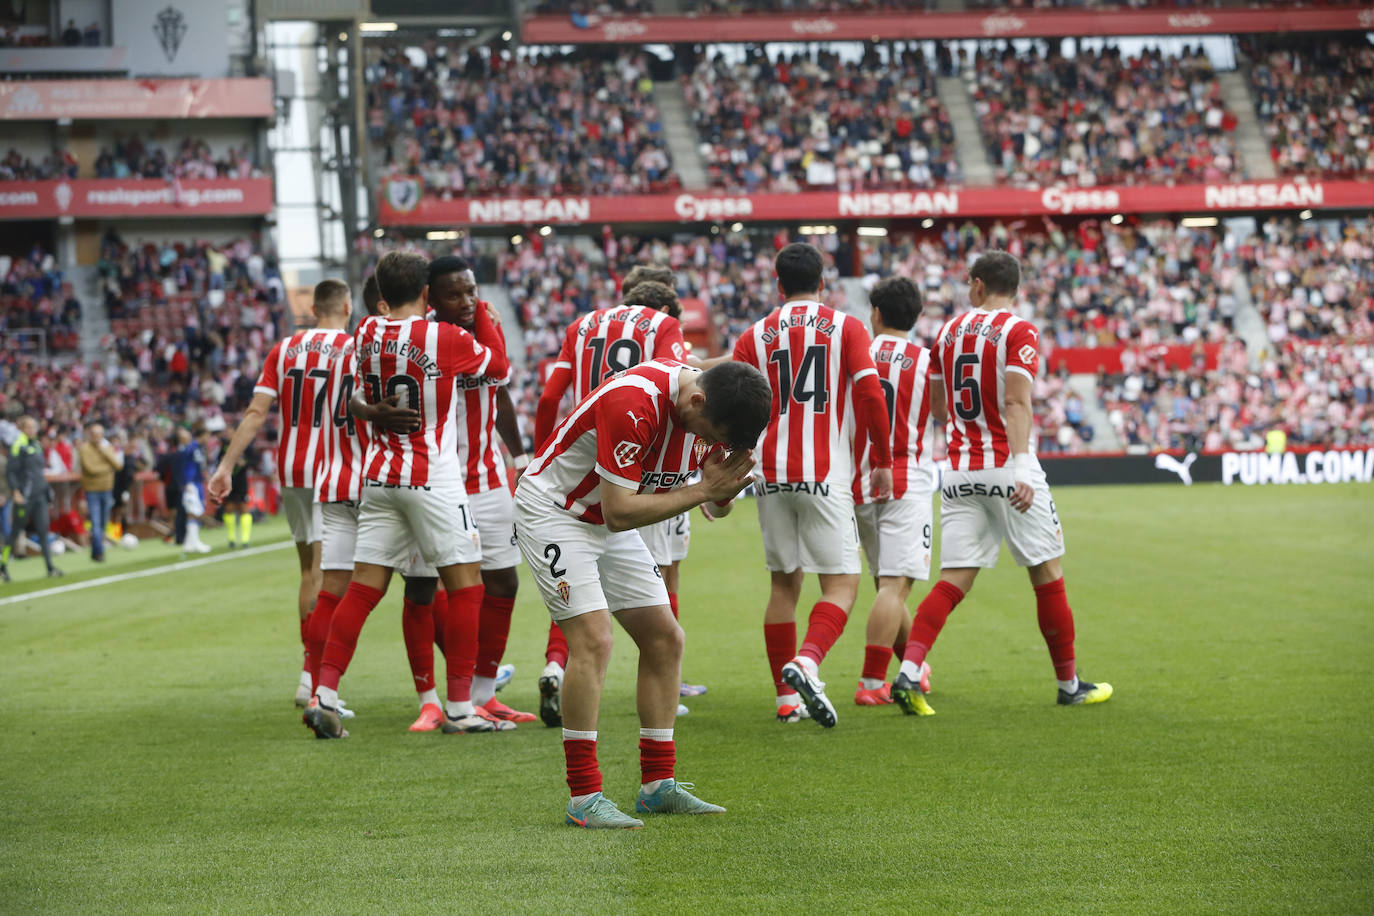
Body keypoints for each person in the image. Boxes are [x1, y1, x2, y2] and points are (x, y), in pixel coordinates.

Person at [516, 358, 771, 828]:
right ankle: (584, 796)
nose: (713, 444)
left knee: (665, 638)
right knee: (593, 640)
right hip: (558, 512)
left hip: (606, 519)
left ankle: (657, 785)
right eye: (713, 435)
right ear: (696, 401)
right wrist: (701, 491)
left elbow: (718, 505)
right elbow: (620, 512)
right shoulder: (634, 402)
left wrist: (723, 487)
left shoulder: (707, 405)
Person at [891, 251, 1113, 716]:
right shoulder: (1020, 331)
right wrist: (1019, 467)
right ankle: (1069, 683)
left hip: (958, 469)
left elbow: (936, 407)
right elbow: (1016, 402)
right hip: (1006, 468)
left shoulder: (947, 332)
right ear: (1016, 288)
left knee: (953, 579)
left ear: (976, 286)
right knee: (1046, 573)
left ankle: (909, 674)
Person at [302, 251, 510, 739]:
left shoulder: (367, 333)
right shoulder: (446, 338)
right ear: (424, 295)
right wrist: (483, 313)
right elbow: (497, 367)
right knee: (467, 587)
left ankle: (325, 694)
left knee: (362, 589)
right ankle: (460, 707)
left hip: (378, 477)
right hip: (432, 478)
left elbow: (353, 395)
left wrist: (372, 413)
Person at [732, 242, 892, 728]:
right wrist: (881, 459)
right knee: (842, 582)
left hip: (770, 473)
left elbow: (735, 413)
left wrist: (726, 473)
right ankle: (807, 660)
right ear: (823, 283)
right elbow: (868, 391)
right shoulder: (847, 326)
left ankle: (785, 700)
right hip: (823, 471)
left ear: (778, 285)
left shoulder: (753, 336)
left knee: (784, 584)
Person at [533, 269, 693, 726]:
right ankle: (669, 684)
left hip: (578, 460)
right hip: (639, 462)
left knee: (575, 583)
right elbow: (678, 382)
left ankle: (553, 663)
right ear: (666, 308)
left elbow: (549, 398)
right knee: (660, 574)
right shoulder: (663, 327)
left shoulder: (581, 325)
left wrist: (544, 452)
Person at [208, 279, 353, 706]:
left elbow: (256, 412)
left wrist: (225, 466)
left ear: (313, 308)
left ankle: (309, 675)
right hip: (338, 469)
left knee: (310, 571)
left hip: (293, 467)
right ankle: (315, 681)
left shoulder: (284, 349)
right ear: (346, 305)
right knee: (334, 575)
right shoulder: (353, 347)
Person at [424, 256, 534, 724]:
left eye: (470, 290)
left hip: (488, 475)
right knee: (434, 587)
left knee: (503, 580)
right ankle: (450, 692)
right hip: (439, 477)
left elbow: (500, 388)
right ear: (432, 298)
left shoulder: (488, 322)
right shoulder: (422, 338)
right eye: (454, 293)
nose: (466, 301)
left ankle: (484, 692)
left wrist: (521, 456)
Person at [851, 277, 937, 706]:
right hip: (907, 478)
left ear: (877, 314)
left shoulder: (856, 356)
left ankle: (913, 668)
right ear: (917, 315)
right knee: (896, 586)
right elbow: (943, 412)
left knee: (887, 583)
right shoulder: (926, 362)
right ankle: (871, 683)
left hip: (860, 481)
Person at [1, 416, 62, 581]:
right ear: (22, 428)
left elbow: (38, 471)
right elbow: (11, 472)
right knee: (15, 532)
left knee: (43, 529)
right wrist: (15, 492)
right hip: (24, 497)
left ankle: (50, 567)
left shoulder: (36, 445)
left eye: (34, 427)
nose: (32, 430)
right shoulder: (18, 446)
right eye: (28, 427)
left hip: (39, 495)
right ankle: (3, 566)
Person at [77, 421, 123, 562]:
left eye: (100, 434)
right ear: (90, 435)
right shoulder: (84, 448)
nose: (97, 437)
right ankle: (99, 553)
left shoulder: (106, 447)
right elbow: (90, 468)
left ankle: (95, 550)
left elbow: (118, 465)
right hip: (92, 490)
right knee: (95, 523)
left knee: (103, 523)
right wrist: (107, 469)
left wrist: (104, 453)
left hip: (107, 489)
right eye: (95, 434)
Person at [171, 426, 212, 555]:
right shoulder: (188, 448)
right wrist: (184, 483)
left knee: (194, 511)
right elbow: (179, 468)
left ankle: (190, 543)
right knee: (194, 512)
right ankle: (194, 542)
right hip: (191, 483)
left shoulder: (197, 448)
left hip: (197, 482)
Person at [220, 437, 256, 550]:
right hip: (229, 481)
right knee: (229, 508)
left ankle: (245, 539)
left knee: (244, 508)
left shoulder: (246, 446)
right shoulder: (225, 447)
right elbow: (218, 461)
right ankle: (231, 539)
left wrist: (244, 463)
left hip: (241, 482)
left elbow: (254, 461)